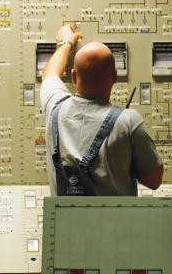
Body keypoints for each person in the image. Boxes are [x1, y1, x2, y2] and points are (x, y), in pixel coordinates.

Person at [40, 24, 164, 196]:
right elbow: (154, 180)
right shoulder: (128, 121)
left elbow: (50, 74)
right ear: (114, 76)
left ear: (74, 76)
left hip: (64, 222)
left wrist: (65, 43)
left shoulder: (54, 107)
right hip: (114, 223)